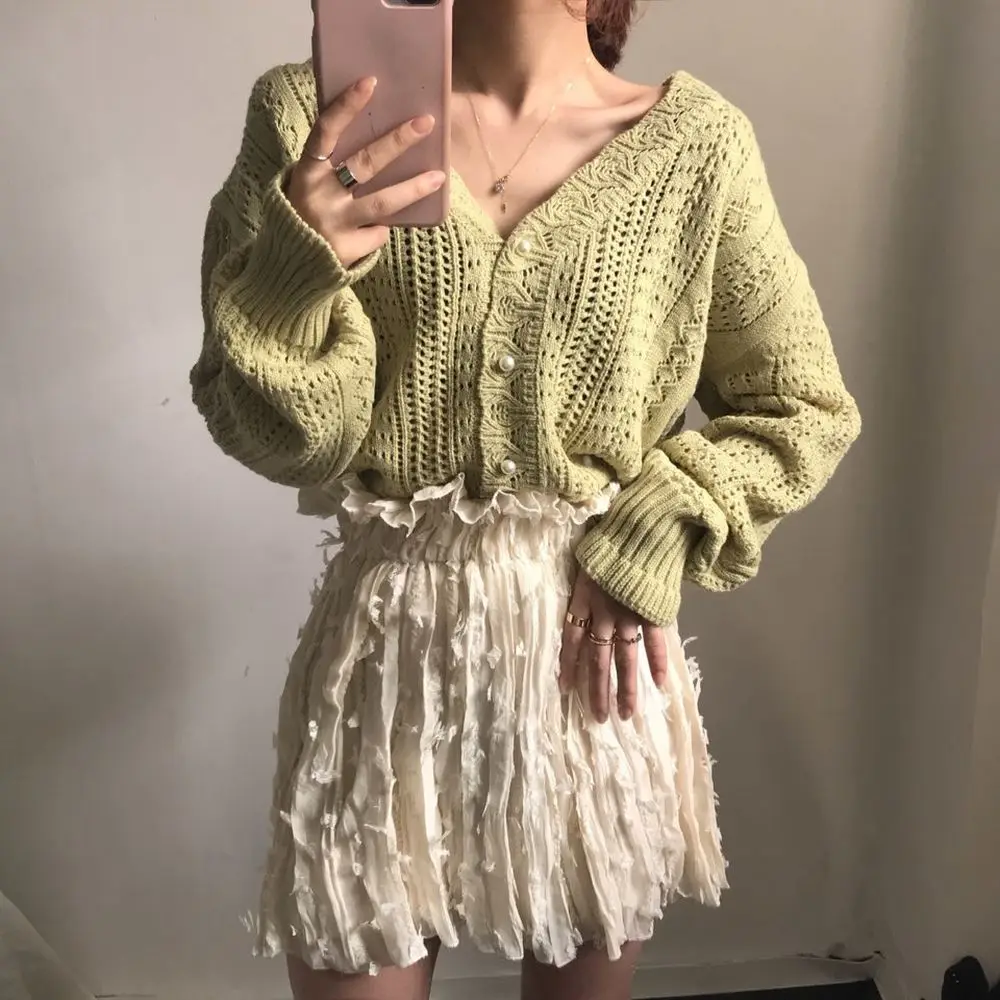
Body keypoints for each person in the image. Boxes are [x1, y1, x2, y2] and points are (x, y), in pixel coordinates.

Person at [190, 0, 862, 997]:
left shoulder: (697, 151)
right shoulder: (312, 118)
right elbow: (281, 438)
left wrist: (655, 531)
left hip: (593, 661)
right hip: (385, 666)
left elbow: (801, 407)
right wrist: (295, 275)